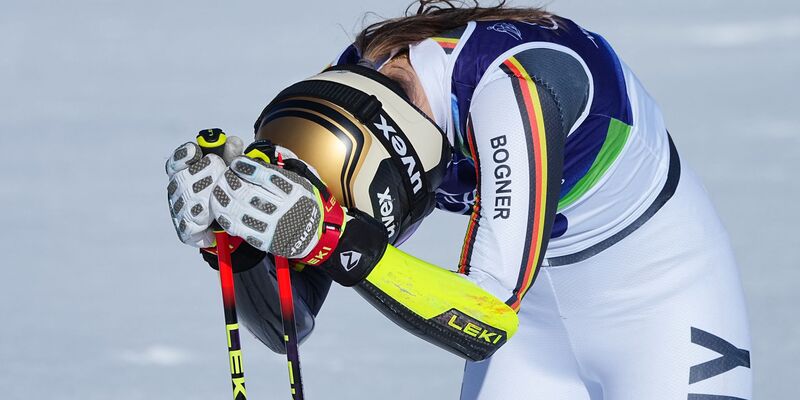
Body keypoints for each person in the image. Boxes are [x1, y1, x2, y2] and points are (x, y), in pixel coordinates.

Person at [165, 1, 752, 399]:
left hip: (664, 302)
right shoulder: (343, 102)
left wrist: (331, 237)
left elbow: (485, 317)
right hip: (534, 328)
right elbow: (288, 326)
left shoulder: (511, 87)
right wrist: (239, 240)